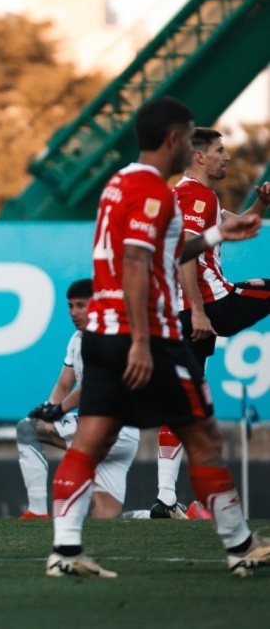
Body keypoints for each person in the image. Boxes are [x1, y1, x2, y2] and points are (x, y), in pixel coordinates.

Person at [46, 95, 269, 579]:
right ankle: (240, 544)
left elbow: (166, 246)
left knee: (90, 441)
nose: (194, 146)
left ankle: (64, 553)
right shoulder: (152, 190)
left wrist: (217, 237)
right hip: (144, 332)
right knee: (204, 436)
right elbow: (134, 261)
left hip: (103, 332)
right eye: (190, 137)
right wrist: (145, 342)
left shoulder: (123, 183)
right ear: (174, 139)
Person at [150, 127, 270, 519]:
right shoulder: (195, 196)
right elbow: (185, 253)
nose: (227, 157)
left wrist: (260, 203)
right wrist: (200, 311)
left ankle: (165, 498)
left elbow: (243, 227)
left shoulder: (186, 197)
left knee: (186, 400)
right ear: (199, 156)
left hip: (182, 312)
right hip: (209, 305)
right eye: (220, 150)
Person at [18, 279, 139, 520]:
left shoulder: (107, 336)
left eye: (81, 305)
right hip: (124, 436)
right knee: (104, 521)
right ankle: (164, 516)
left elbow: (93, 386)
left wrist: (59, 410)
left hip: (109, 428)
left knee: (27, 430)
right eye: (71, 306)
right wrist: (49, 408)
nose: (74, 312)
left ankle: (37, 511)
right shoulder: (78, 339)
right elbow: (65, 383)